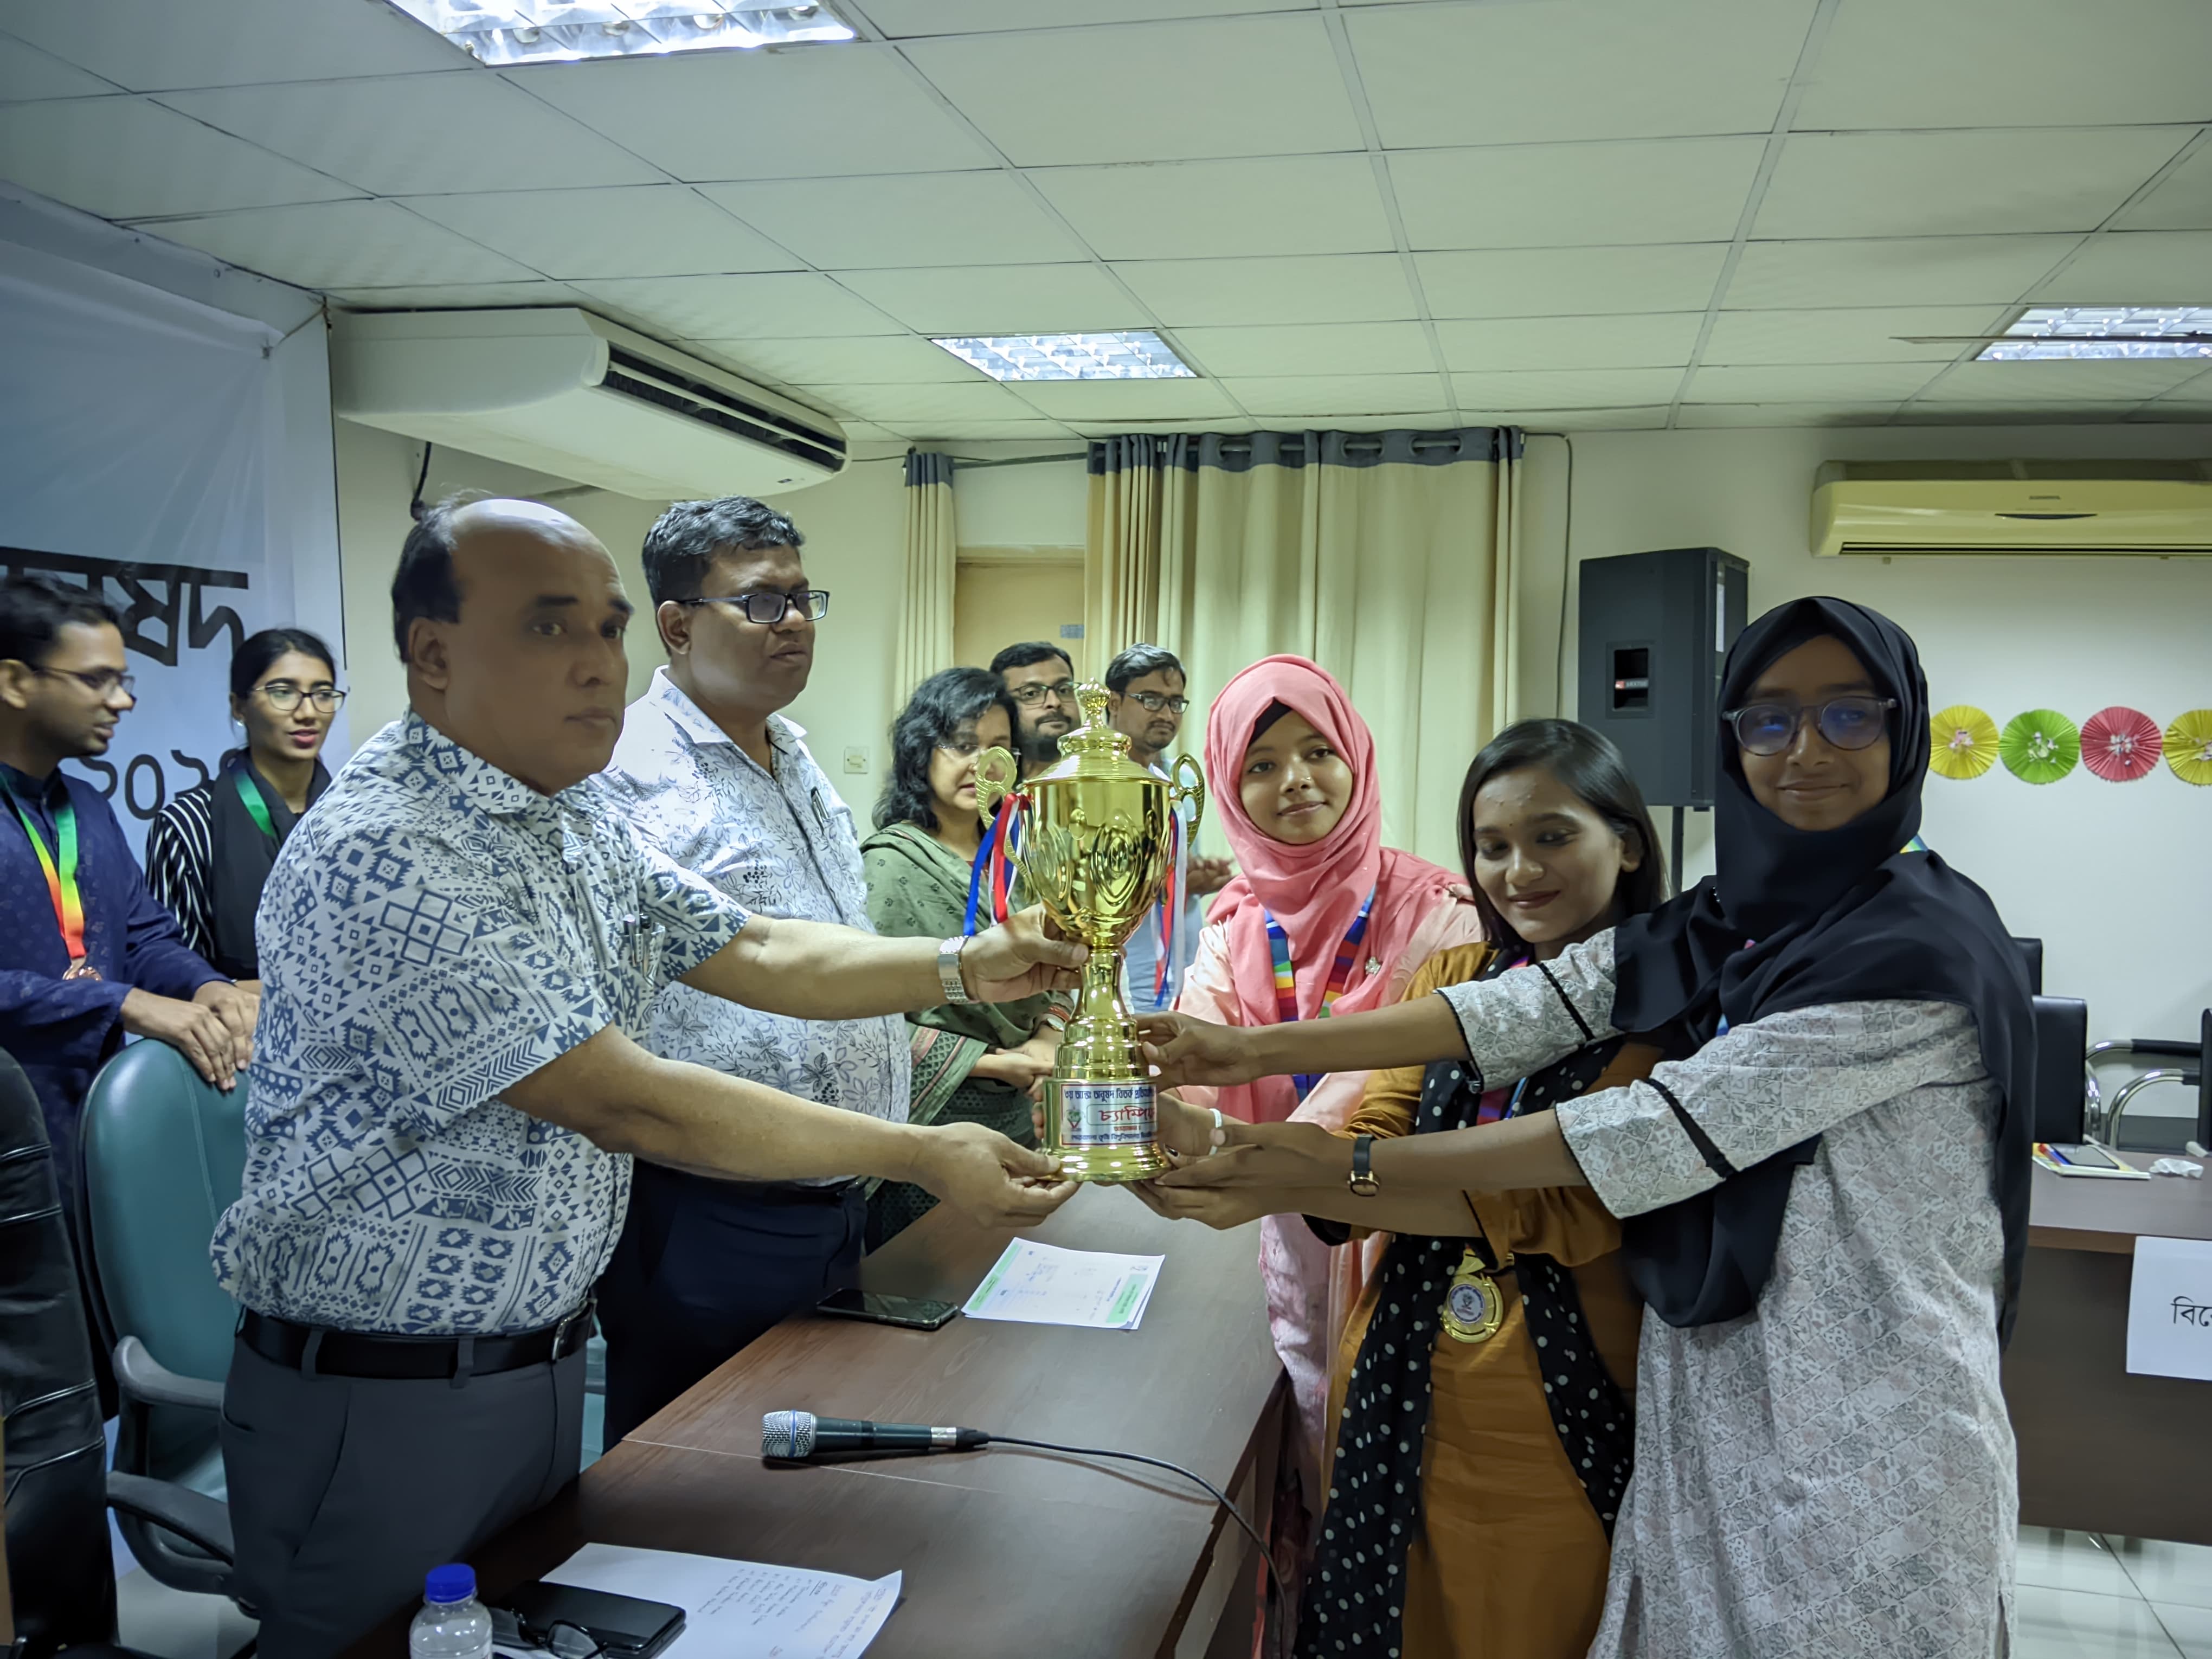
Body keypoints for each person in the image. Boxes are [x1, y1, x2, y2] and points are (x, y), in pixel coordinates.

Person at [211, 497, 1083, 1655]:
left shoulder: (566, 818)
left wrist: (967, 960)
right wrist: (919, 1150)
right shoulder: (388, 846)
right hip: (384, 1397)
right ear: (432, 655)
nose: (596, 664)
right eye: (548, 627)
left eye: (607, 628)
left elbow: (756, 947)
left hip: (529, 1365)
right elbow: (619, 1095)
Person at [1142, 599, 2033, 1659]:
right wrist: (1242, 1058)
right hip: (1710, 1388)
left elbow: (1643, 1135)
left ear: (1906, 726)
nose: (1804, 751)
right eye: (1768, 720)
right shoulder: (1746, 916)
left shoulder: (1914, 950)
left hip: (1857, 1412)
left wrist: (1311, 1165)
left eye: (1849, 715)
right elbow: (1532, 1003)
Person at [1139, 719, 1668, 1659]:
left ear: (1627, 844)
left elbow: (1553, 1205)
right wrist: (1223, 1140)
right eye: (1492, 847)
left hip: (1552, 1411)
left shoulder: (1665, 1017)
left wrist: (1268, 1164)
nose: (1518, 873)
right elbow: (1374, 1130)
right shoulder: (1458, 977)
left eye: (1552, 837)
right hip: (1396, 1372)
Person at [591, 496, 914, 1443]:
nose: (797, 622)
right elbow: (755, 961)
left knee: (800, 1469)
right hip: (707, 1209)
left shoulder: (795, 753)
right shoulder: (626, 770)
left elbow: (830, 942)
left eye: (804, 598)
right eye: (764, 603)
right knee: (693, 1469)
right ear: (677, 625)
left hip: (835, 1196)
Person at [1169, 654, 1484, 1559]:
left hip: (1399, 1227)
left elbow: (1379, 1087)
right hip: (1271, 1233)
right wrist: (1133, 1098)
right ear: (1230, 790)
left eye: (1318, 752)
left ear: (1357, 757)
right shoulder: (1235, 922)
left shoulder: (1440, 912)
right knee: (1300, 1453)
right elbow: (1195, 1050)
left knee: (1400, 1477)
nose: (1295, 781)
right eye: (1261, 765)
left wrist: (1235, 1145)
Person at [0, 575, 254, 1210]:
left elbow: (142, 936)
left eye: (123, 680)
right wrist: (125, 1004)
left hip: (94, 1133)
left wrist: (207, 987)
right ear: (15, 682)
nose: (123, 701)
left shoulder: (87, 805)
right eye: (97, 680)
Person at [861, 668, 1069, 1247]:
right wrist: (991, 1062)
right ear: (921, 750)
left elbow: (1062, 969)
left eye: (999, 748)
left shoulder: (1020, 856)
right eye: (962, 744)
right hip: (932, 1121)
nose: (983, 764)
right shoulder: (889, 863)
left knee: (1004, 1268)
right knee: (928, 1275)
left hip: (1020, 1114)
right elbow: (860, 1016)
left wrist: (1049, 1037)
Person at [144, 627, 344, 984]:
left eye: (323, 694)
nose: (308, 712)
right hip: (239, 1019)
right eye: (283, 692)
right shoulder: (189, 825)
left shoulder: (361, 815)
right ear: (240, 707)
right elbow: (173, 974)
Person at [1102, 642, 1232, 1011]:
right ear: (1114, 702)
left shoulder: (1183, 778)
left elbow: (1177, 875)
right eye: (1151, 700)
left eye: (1175, 703)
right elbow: (1090, 887)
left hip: (1188, 981)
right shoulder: (1091, 781)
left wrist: (1197, 879)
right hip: (1122, 985)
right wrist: (1170, 882)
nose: (1166, 714)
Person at [991, 640, 1076, 777]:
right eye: (1031, 694)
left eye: (1064, 690)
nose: (1055, 702)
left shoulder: (1106, 775)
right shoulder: (989, 781)